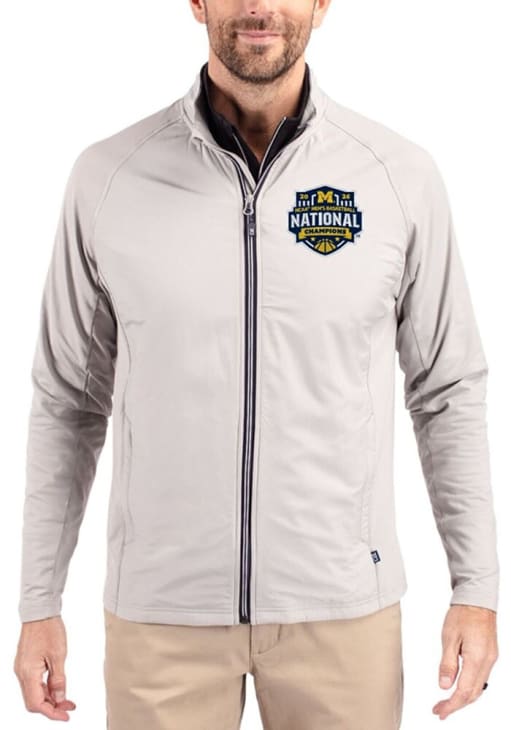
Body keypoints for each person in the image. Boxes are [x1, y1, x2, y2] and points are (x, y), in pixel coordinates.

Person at [13, 1, 499, 728]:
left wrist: (476, 590)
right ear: (197, 2)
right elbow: (68, 402)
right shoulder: (109, 177)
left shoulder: (397, 176)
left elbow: (447, 390)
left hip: (342, 613)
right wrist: (38, 602)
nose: (259, 7)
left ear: (322, 4)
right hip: (162, 618)